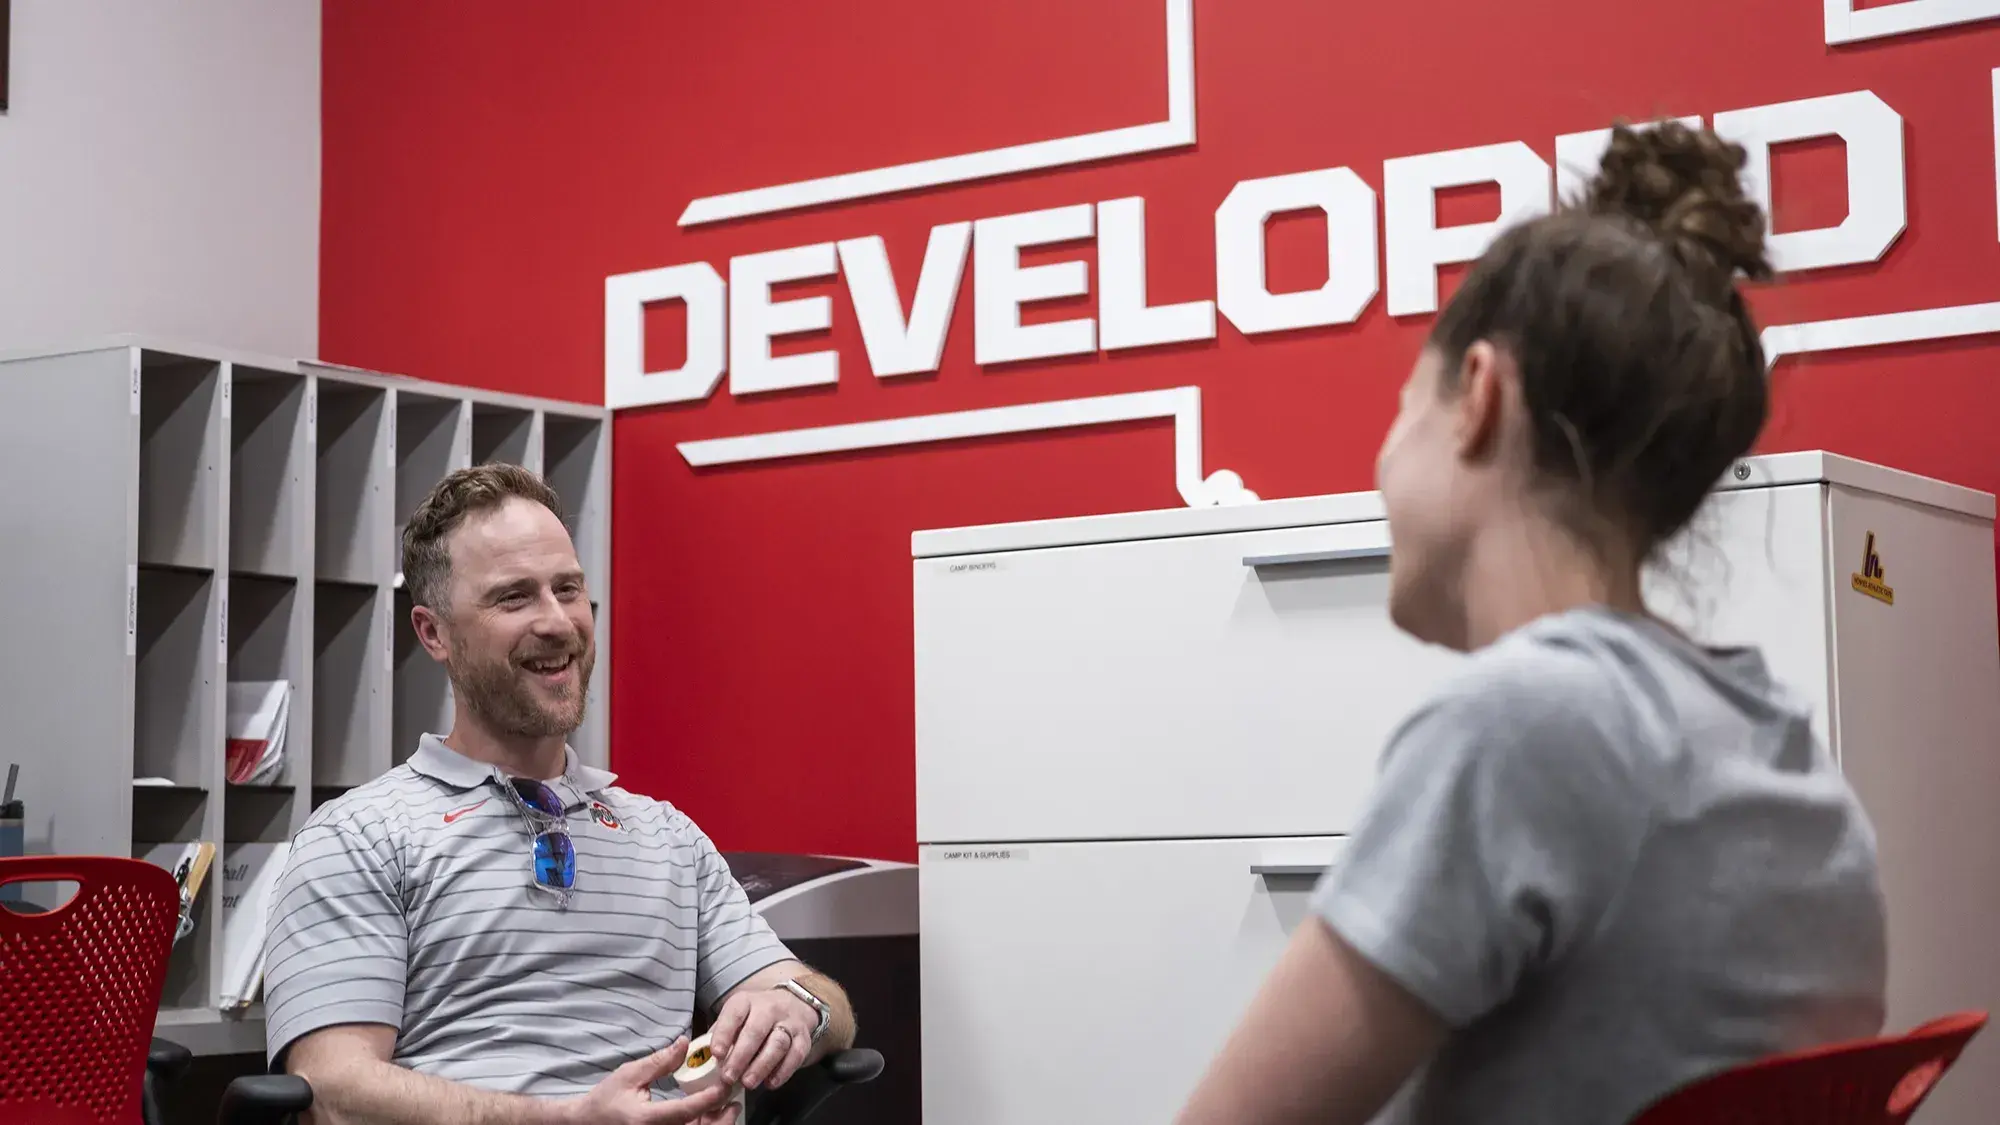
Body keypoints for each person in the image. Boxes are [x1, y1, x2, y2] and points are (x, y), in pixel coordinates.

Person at [1172, 120, 1889, 1125]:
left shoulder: (1524, 724)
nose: (1378, 467)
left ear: (1476, 395)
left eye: (1398, 408)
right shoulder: (1787, 763)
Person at [262, 464, 857, 1125]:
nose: (558, 622)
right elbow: (333, 1086)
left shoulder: (667, 837)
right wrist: (570, 1118)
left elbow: (816, 997)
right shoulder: (359, 836)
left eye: (568, 588)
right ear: (434, 633)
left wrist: (800, 1008)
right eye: (514, 597)